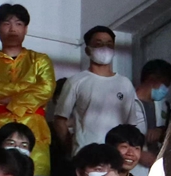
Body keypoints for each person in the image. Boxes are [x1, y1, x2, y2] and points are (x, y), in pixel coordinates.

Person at [0, 3, 56, 176]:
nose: (12, 29)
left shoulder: (40, 60)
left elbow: (46, 89)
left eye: (19, 23)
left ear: (26, 29)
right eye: (6, 23)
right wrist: (27, 88)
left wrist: (10, 101)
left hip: (34, 129)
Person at [54, 26, 137, 155]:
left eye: (109, 44)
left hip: (116, 156)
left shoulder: (125, 83)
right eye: (99, 44)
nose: (105, 48)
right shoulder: (75, 81)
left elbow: (131, 125)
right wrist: (72, 149)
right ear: (88, 50)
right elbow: (60, 120)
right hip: (85, 155)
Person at [133, 59, 171, 176]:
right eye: (165, 84)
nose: (166, 89)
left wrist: (161, 132)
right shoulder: (127, 102)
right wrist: (139, 154)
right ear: (152, 79)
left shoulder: (164, 105)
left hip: (157, 165)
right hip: (134, 167)